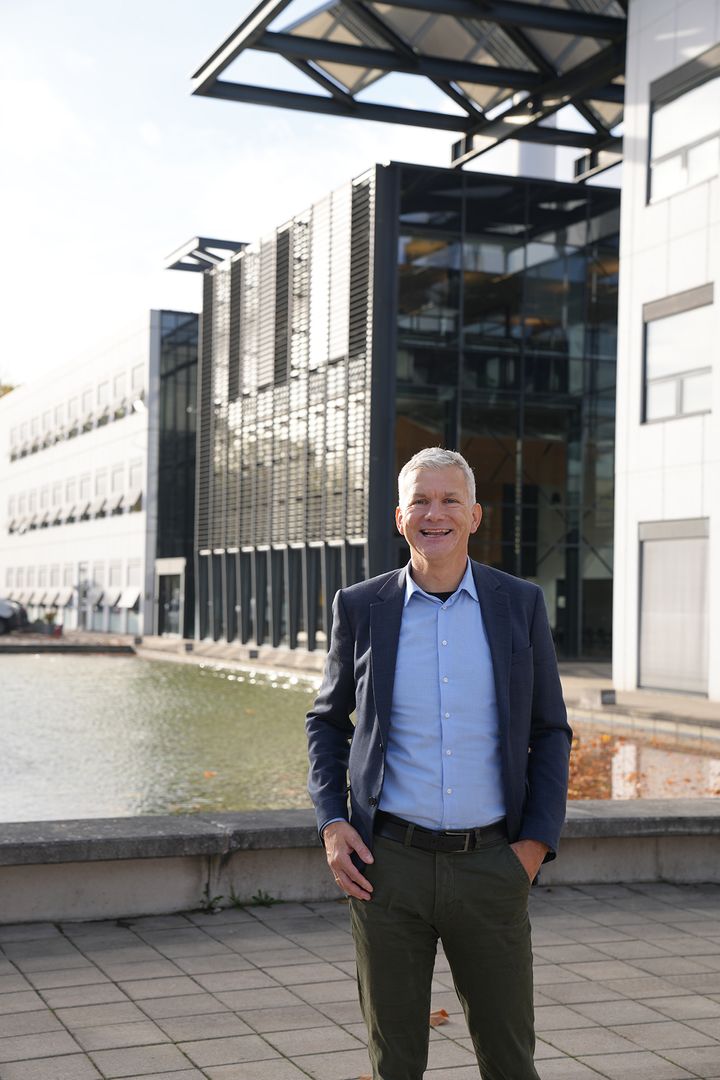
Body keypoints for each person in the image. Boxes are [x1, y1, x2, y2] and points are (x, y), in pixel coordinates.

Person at [306, 447, 571, 1080]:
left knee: (510, 1061)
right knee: (394, 1062)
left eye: (450, 499)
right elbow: (326, 720)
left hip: (493, 865)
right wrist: (331, 821)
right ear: (399, 518)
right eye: (421, 501)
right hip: (387, 869)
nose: (435, 513)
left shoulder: (520, 604)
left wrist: (532, 847)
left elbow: (550, 730)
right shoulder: (360, 606)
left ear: (475, 515)